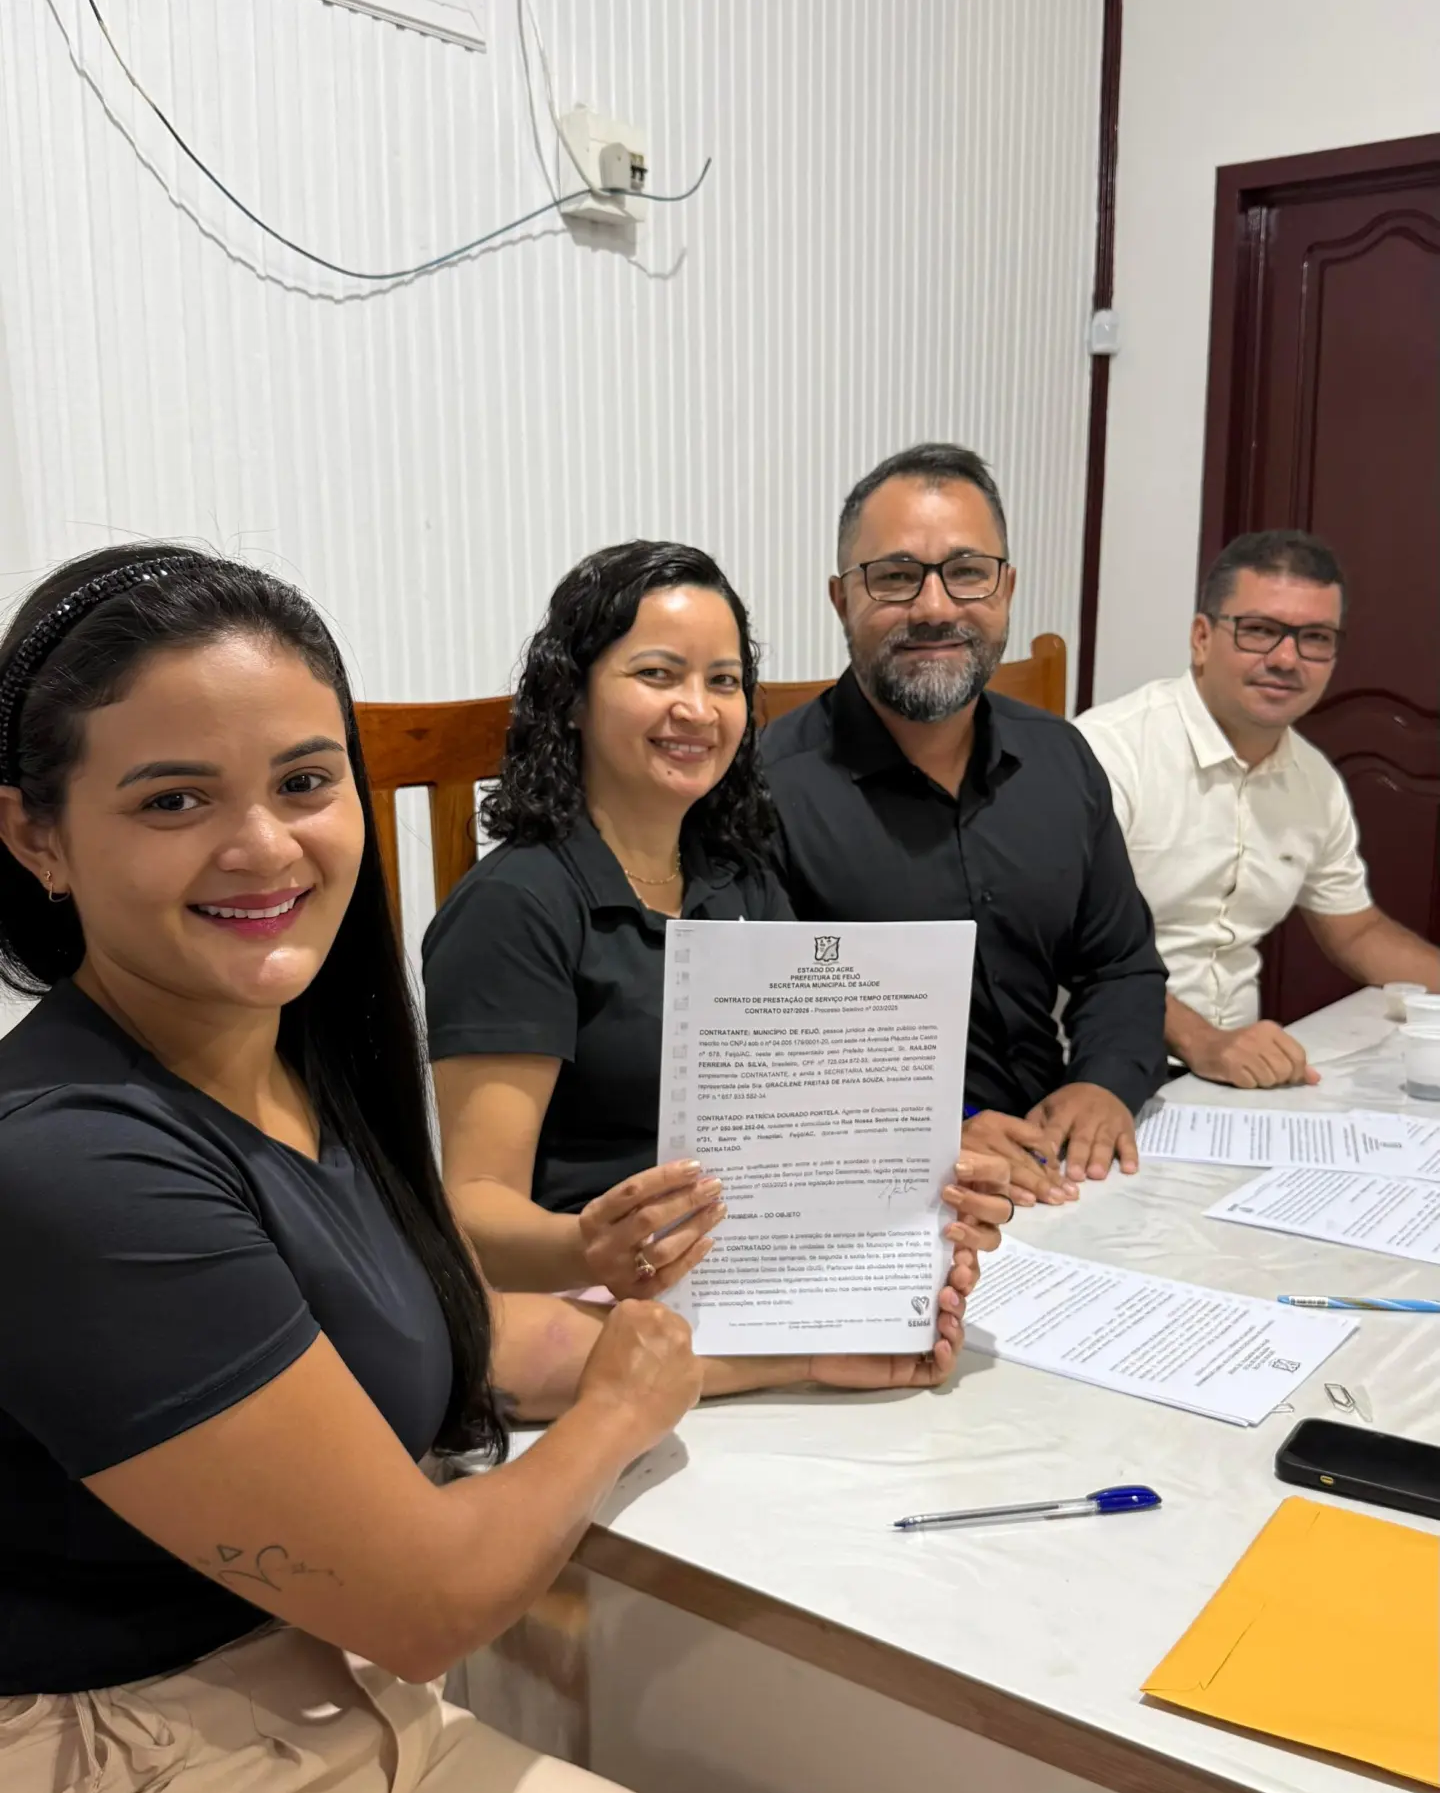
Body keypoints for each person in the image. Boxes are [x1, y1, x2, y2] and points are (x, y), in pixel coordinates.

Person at [0, 544, 989, 1793]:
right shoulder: (70, 1163)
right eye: (173, 800)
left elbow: (460, 1347)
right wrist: (618, 1414)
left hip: (350, 1736)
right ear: (35, 836)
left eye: (304, 782)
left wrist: (783, 1349)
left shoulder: (303, 1060)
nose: (265, 847)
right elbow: (429, 1595)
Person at [425, 538, 1011, 1325]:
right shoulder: (515, 907)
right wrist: (596, 1248)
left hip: (750, 1273)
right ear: (572, 697)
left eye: (724, 681)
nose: (698, 710)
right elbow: (474, 1210)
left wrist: (935, 1172)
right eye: (657, 674)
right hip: (585, 1308)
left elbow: (813, 1116)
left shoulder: (741, 882)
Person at [760, 445, 1168, 1196]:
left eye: (968, 571)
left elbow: (1119, 965)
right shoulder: (765, 794)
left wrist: (1104, 1082)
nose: (935, 608)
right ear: (841, 599)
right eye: (895, 577)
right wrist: (937, 1131)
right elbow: (758, 1047)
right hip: (875, 1190)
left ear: (1006, 588)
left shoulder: (1061, 759)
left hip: (1061, 1169)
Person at [1077, 531, 1440, 1089]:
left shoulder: (1314, 782)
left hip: (1236, 1077)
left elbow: (1358, 931)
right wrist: (1204, 1042)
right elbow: (1067, 941)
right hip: (1094, 1067)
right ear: (1202, 638)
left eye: (1314, 638)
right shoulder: (1107, 754)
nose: (1286, 659)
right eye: (1260, 631)